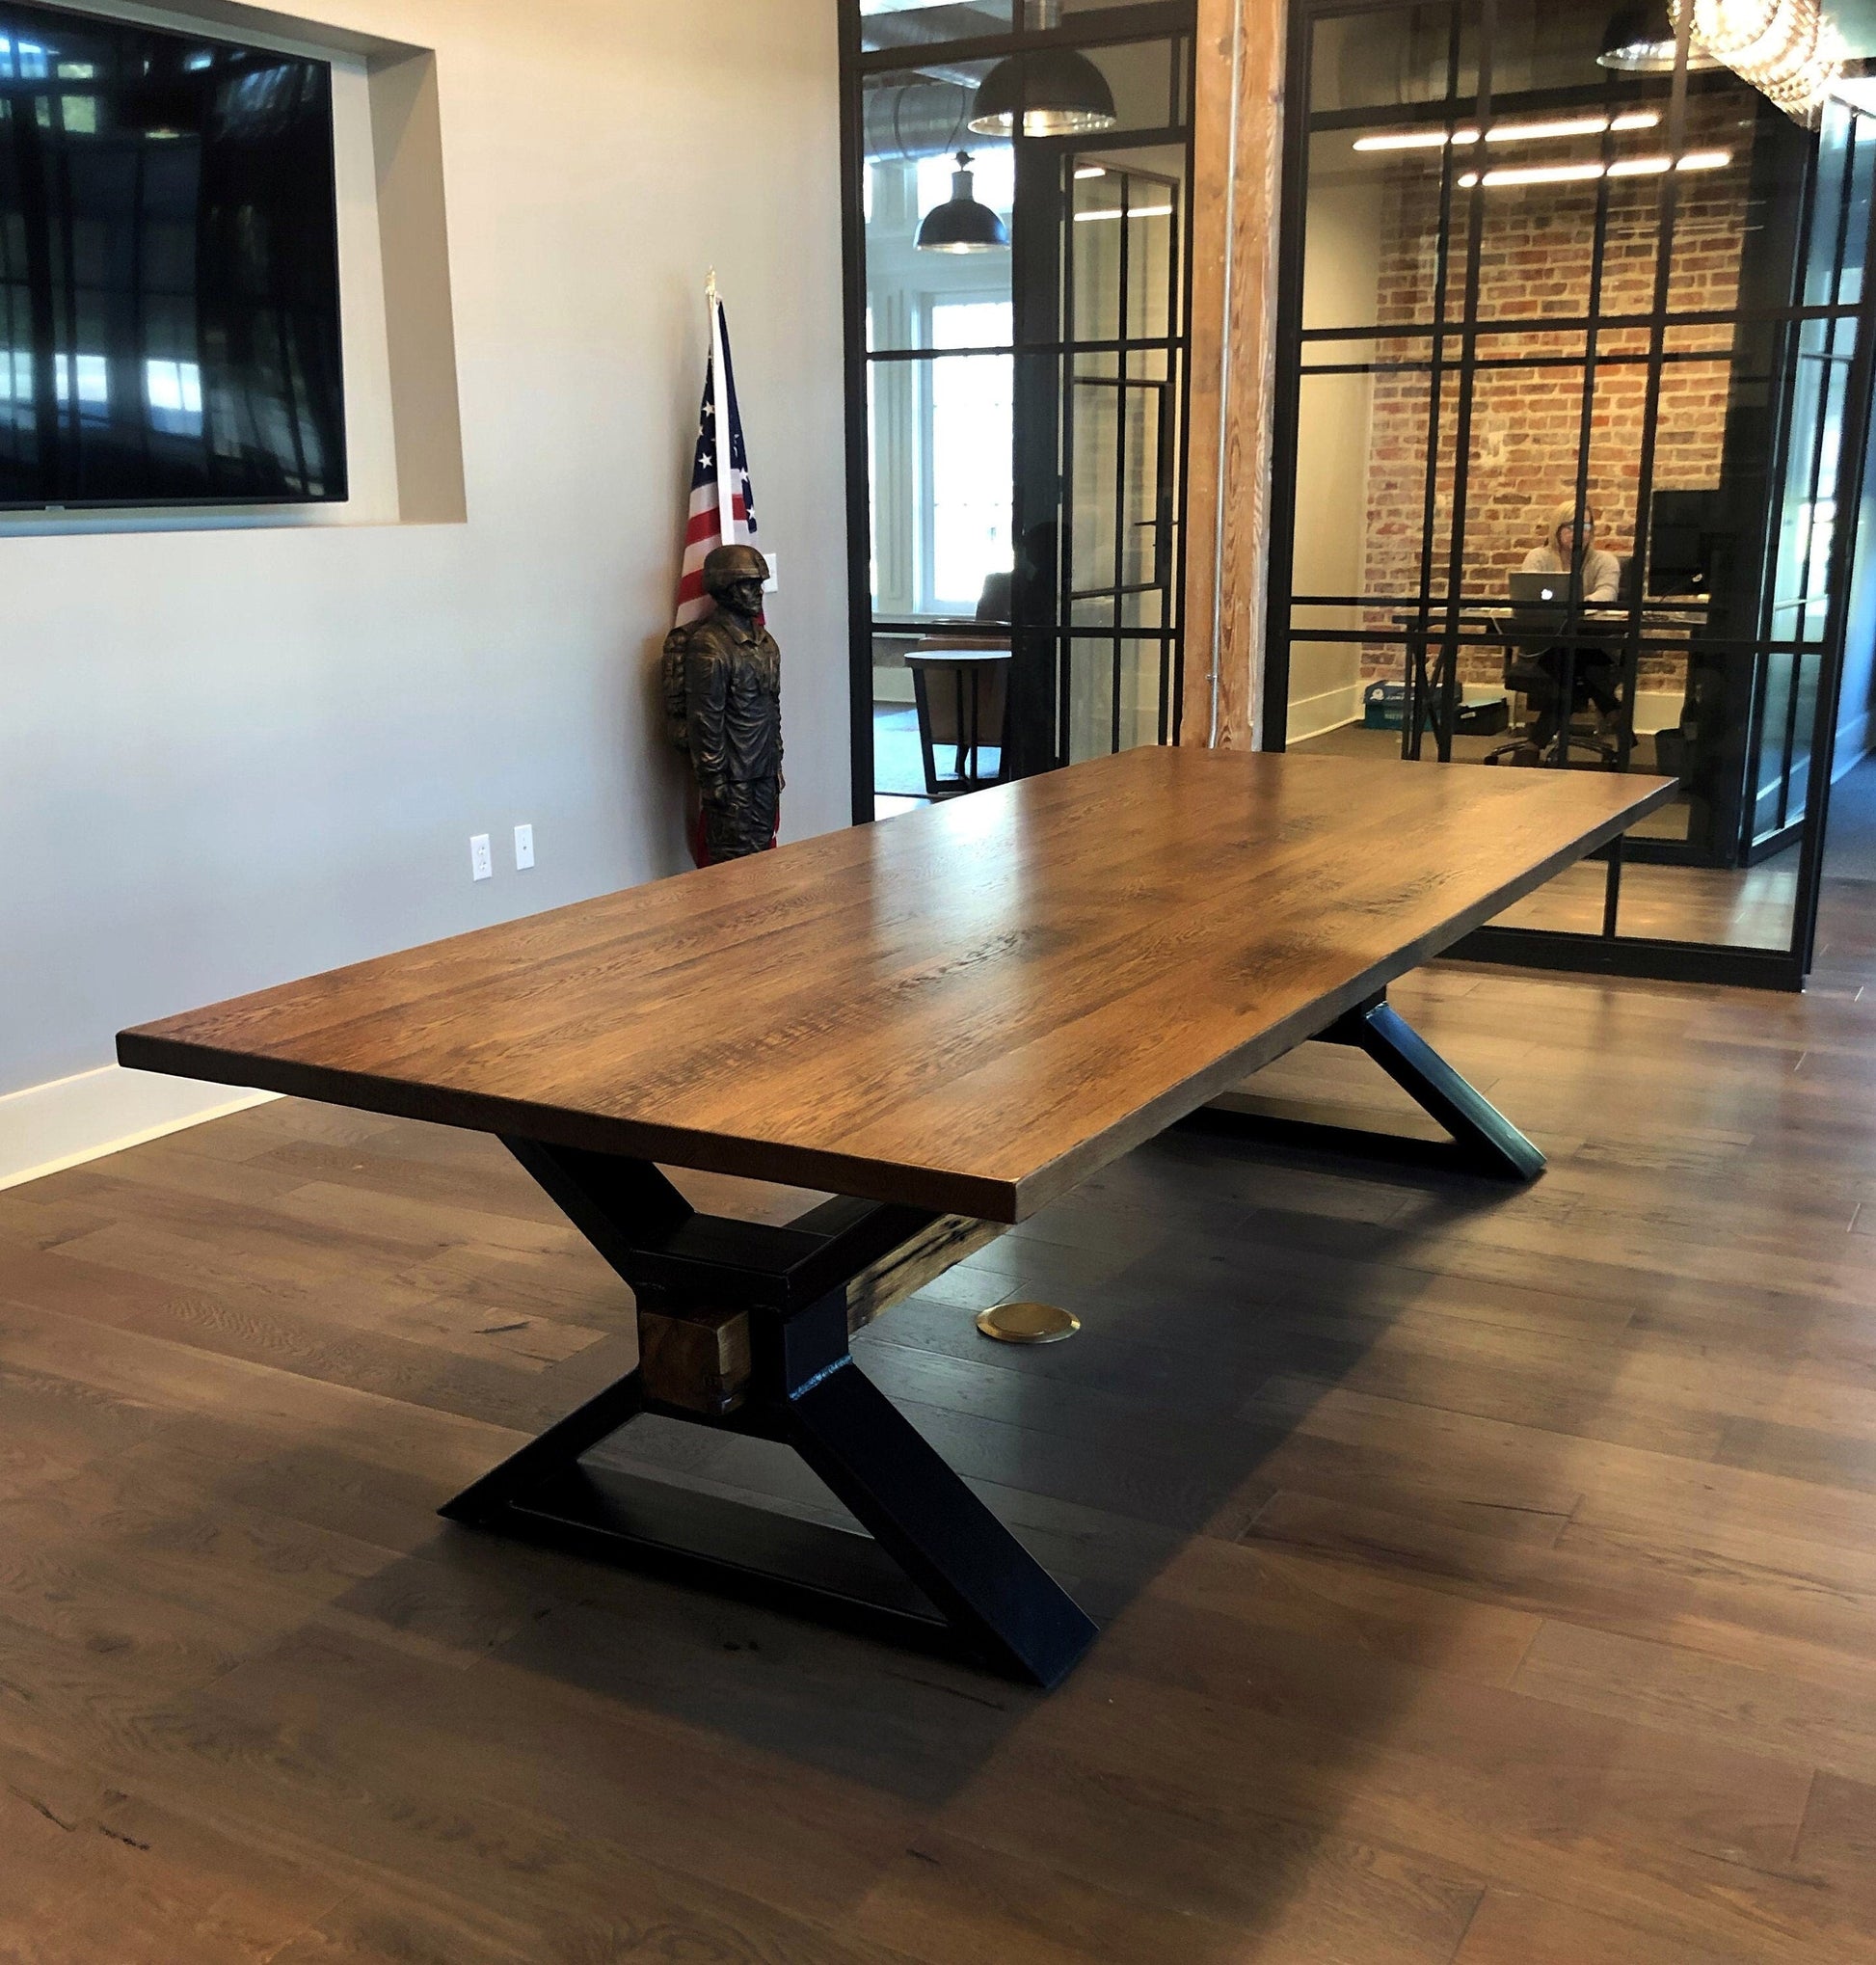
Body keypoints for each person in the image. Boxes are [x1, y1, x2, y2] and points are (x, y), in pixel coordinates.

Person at [680, 544, 782, 862]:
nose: (758, 592)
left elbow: (772, 708)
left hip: (763, 771)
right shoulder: (710, 645)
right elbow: (705, 720)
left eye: (759, 584)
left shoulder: (766, 643)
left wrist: (776, 762)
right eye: (749, 585)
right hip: (732, 778)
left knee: (763, 855)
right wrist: (713, 780)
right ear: (725, 589)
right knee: (732, 865)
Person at [1513, 498, 1624, 757]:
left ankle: (1532, 746)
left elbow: (1607, 592)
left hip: (1591, 644)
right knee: (1574, 669)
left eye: (1585, 526)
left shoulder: (1604, 560)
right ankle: (1614, 714)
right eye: (1571, 526)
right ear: (1557, 528)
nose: (1578, 533)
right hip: (1544, 648)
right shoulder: (1538, 558)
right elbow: (1528, 595)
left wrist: (1581, 604)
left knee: (1571, 666)